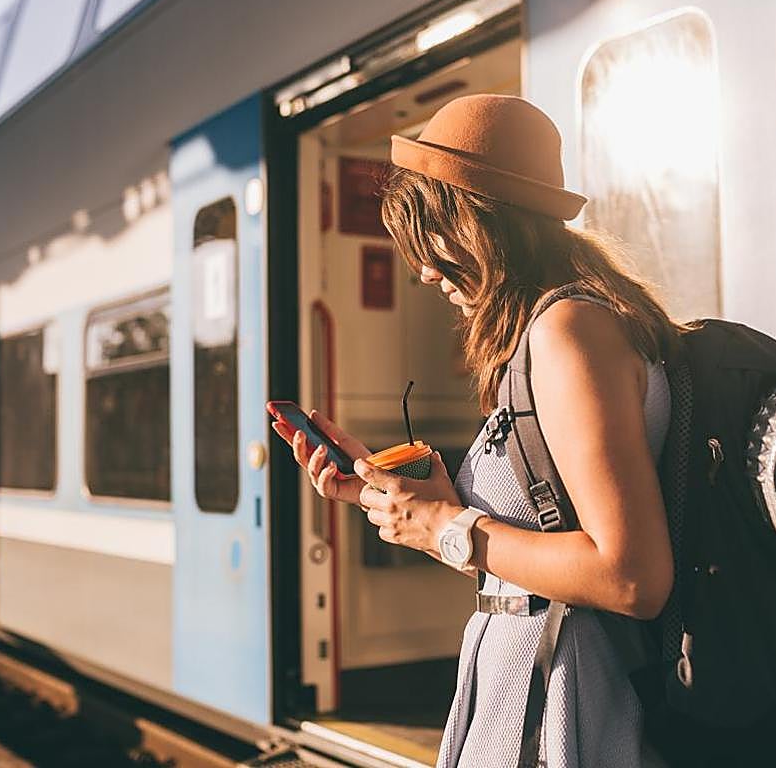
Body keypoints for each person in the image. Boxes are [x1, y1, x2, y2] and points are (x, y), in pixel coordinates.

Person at [272, 94, 683, 767]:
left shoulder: (568, 332)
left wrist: (443, 527)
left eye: (428, 238)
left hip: (569, 700)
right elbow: (536, 547)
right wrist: (408, 506)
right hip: (537, 684)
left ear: (482, 221)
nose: (423, 271)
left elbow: (632, 575)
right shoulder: (555, 330)